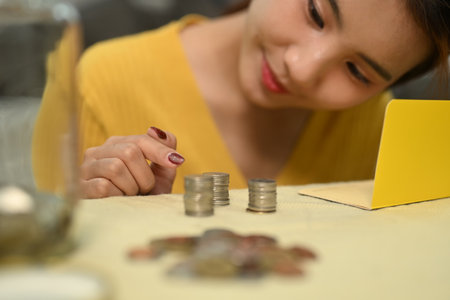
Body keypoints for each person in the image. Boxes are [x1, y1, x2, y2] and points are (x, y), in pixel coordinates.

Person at [32, 0, 449, 199]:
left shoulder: (379, 129)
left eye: (358, 72)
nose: (301, 69)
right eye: (316, 14)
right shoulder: (99, 80)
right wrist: (89, 209)